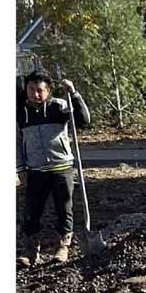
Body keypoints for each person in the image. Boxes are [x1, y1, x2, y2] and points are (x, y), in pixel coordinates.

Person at [16, 71, 90, 267]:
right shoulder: (20, 112)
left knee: (64, 210)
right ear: (26, 90)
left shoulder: (60, 106)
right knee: (31, 212)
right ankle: (31, 252)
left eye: (40, 90)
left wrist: (73, 93)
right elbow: (17, 141)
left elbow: (83, 120)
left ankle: (62, 247)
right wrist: (20, 168)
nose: (36, 94)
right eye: (31, 89)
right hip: (34, 170)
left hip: (61, 168)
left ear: (48, 91)